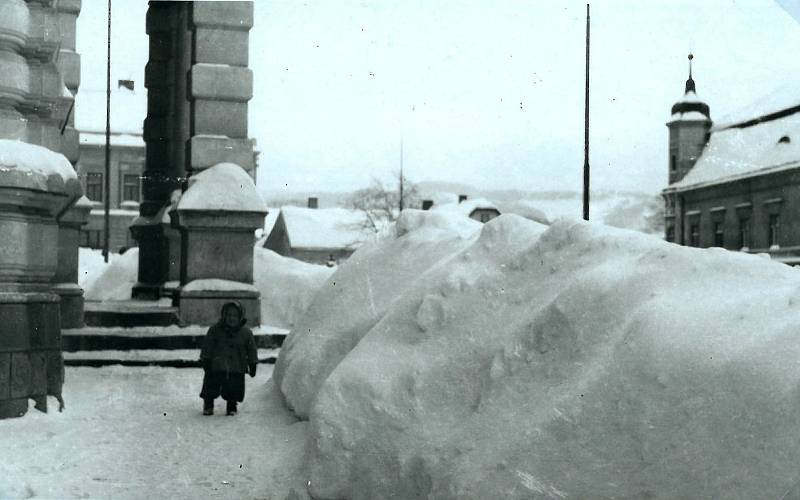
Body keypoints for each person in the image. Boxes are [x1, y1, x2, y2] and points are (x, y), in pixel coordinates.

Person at [199, 301, 258, 416]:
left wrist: (252, 363)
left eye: (235, 316)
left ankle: (232, 406)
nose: (232, 318)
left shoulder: (246, 333)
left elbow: (251, 349)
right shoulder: (215, 330)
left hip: (237, 366)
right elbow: (207, 346)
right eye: (229, 315)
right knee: (210, 386)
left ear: (240, 317)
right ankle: (208, 404)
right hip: (216, 365)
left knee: (234, 388)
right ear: (224, 315)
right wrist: (206, 359)